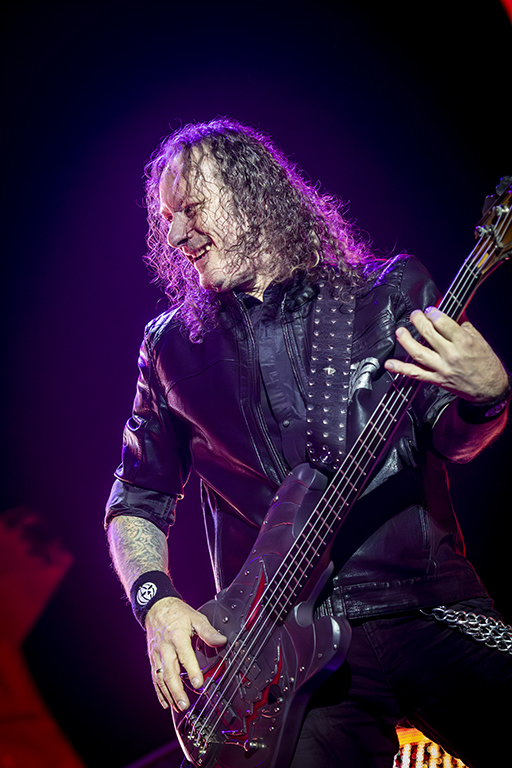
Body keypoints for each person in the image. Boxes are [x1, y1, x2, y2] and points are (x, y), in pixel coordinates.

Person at [105, 118, 511, 768]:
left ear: (252, 193)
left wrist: (486, 398)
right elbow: (136, 500)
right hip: (278, 648)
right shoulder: (171, 347)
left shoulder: (387, 292)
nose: (176, 236)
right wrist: (157, 604)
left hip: (421, 598)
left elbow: (452, 439)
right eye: (166, 219)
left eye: (191, 209)